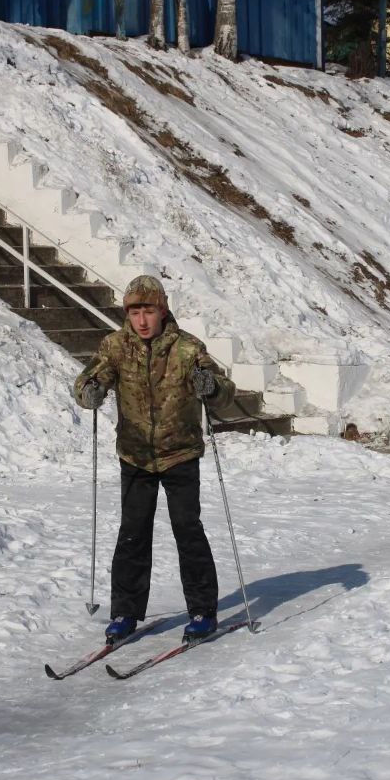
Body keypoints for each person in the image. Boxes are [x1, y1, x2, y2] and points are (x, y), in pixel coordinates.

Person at [73, 275, 236, 643]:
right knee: (132, 533)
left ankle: (202, 610)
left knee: (187, 529)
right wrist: (90, 391)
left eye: (148, 311)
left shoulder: (188, 348)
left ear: (162, 310)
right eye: (135, 313)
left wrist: (211, 387)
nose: (142, 320)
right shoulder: (115, 346)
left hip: (180, 454)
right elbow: (87, 382)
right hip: (135, 456)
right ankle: (125, 612)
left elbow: (224, 391)